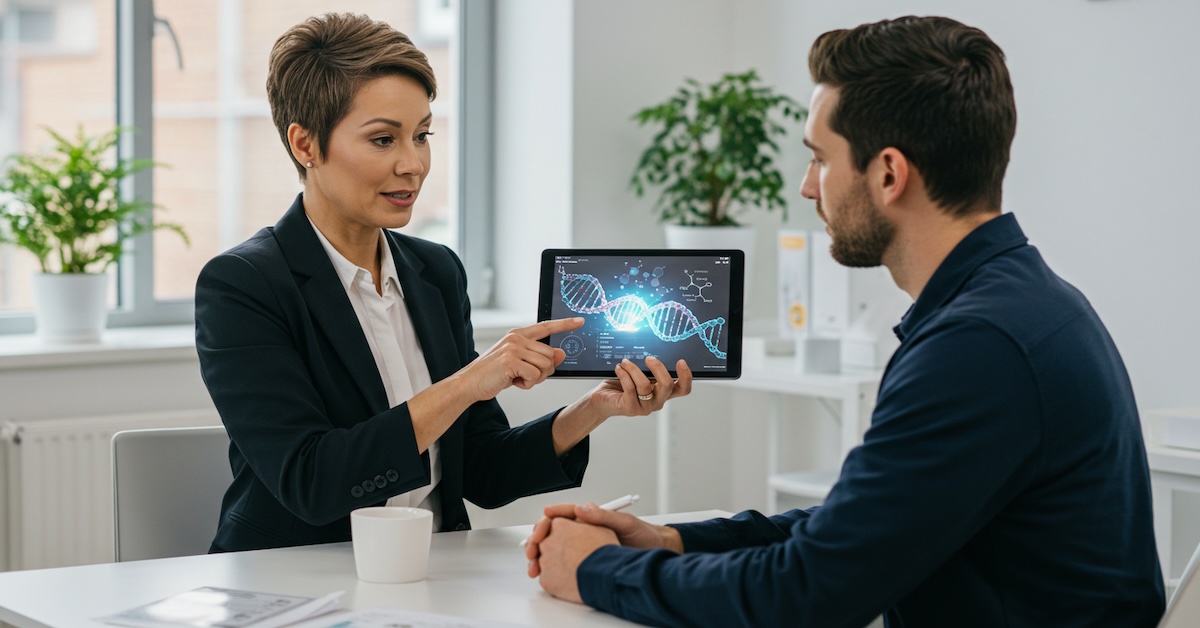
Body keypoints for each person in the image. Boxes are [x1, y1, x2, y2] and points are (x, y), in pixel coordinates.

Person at [525, 15, 1164, 627]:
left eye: (821, 159)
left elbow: (805, 596)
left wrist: (596, 570)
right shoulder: (1018, 305)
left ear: (888, 173)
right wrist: (666, 540)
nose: (808, 187)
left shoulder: (980, 346)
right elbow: (860, 529)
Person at [194, 12, 692, 553]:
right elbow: (312, 482)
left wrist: (596, 406)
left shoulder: (436, 272)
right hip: (296, 578)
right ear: (305, 145)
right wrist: (469, 382)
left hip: (433, 571)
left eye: (422, 135)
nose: (414, 164)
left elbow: (481, 471)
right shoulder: (243, 286)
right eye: (383, 139)